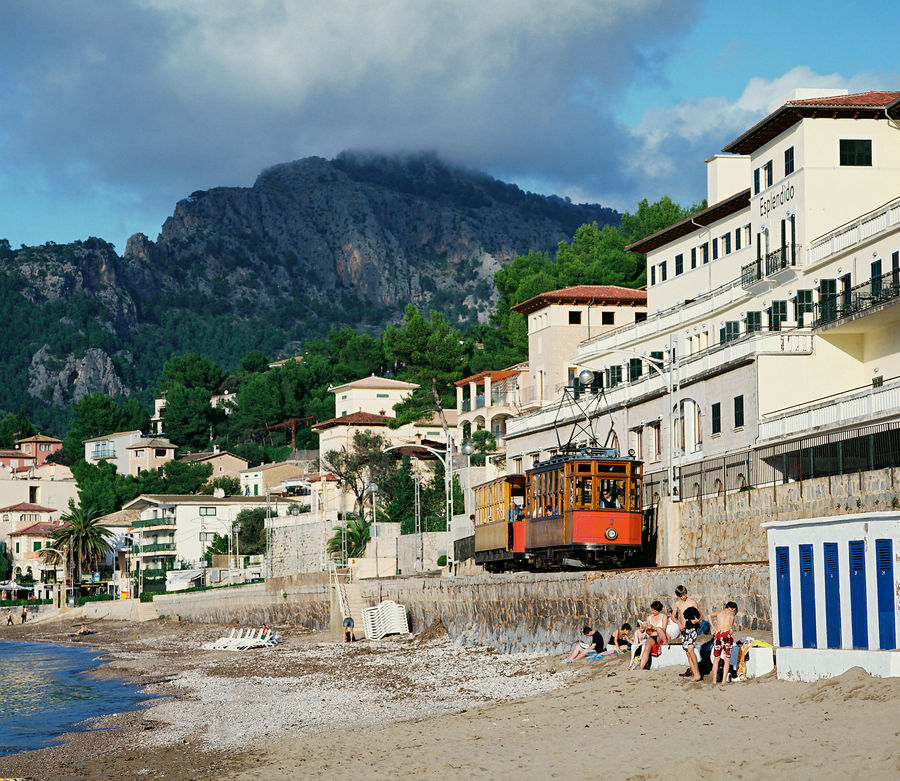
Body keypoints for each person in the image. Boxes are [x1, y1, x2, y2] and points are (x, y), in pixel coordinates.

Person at [635, 601, 670, 669]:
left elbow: (664, 630)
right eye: (652, 610)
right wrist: (647, 629)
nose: (653, 611)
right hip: (652, 636)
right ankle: (641, 668)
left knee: (659, 629)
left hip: (661, 636)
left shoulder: (663, 617)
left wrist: (653, 627)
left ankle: (665, 642)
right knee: (647, 647)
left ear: (658, 610)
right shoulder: (649, 618)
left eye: (654, 610)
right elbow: (649, 633)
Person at [710, 602, 738, 684]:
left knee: (716, 659)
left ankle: (714, 681)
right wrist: (731, 630)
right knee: (727, 659)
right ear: (733, 608)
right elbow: (730, 628)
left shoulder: (719, 612)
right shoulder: (731, 614)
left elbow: (709, 616)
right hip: (726, 636)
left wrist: (713, 627)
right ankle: (723, 681)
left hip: (718, 635)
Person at [678, 606, 703, 681]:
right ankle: (695, 673)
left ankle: (697, 673)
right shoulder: (680, 607)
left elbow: (699, 616)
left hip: (692, 631)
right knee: (688, 653)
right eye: (693, 618)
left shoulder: (695, 622)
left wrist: (697, 619)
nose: (695, 620)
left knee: (690, 651)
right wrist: (679, 624)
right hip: (685, 631)